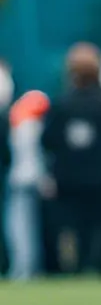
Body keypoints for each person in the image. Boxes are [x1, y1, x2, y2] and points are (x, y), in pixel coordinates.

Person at [43, 43, 101, 275]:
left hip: (68, 175)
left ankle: (79, 263)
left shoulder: (61, 103)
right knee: (100, 220)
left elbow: (48, 139)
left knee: (75, 221)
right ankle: (98, 260)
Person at [6, 88, 49, 280]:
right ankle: (29, 267)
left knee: (19, 227)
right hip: (34, 179)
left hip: (21, 180)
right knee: (30, 228)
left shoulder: (24, 126)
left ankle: (23, 269)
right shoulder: (37, 126)